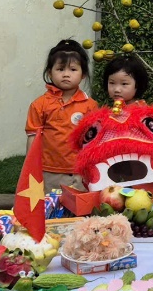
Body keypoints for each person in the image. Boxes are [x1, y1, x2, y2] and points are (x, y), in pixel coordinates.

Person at [25, 39, 98, 191]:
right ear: (49, 72)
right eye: (60, 69)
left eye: (73, 69)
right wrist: (30, 168)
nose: (66, 74)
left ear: (83, 74)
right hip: (48, 172)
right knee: (49, 210)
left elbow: (95, 140)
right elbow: (33, 137)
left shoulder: (90, 105)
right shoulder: (39, 105)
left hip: (80, 171)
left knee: (77, 211)